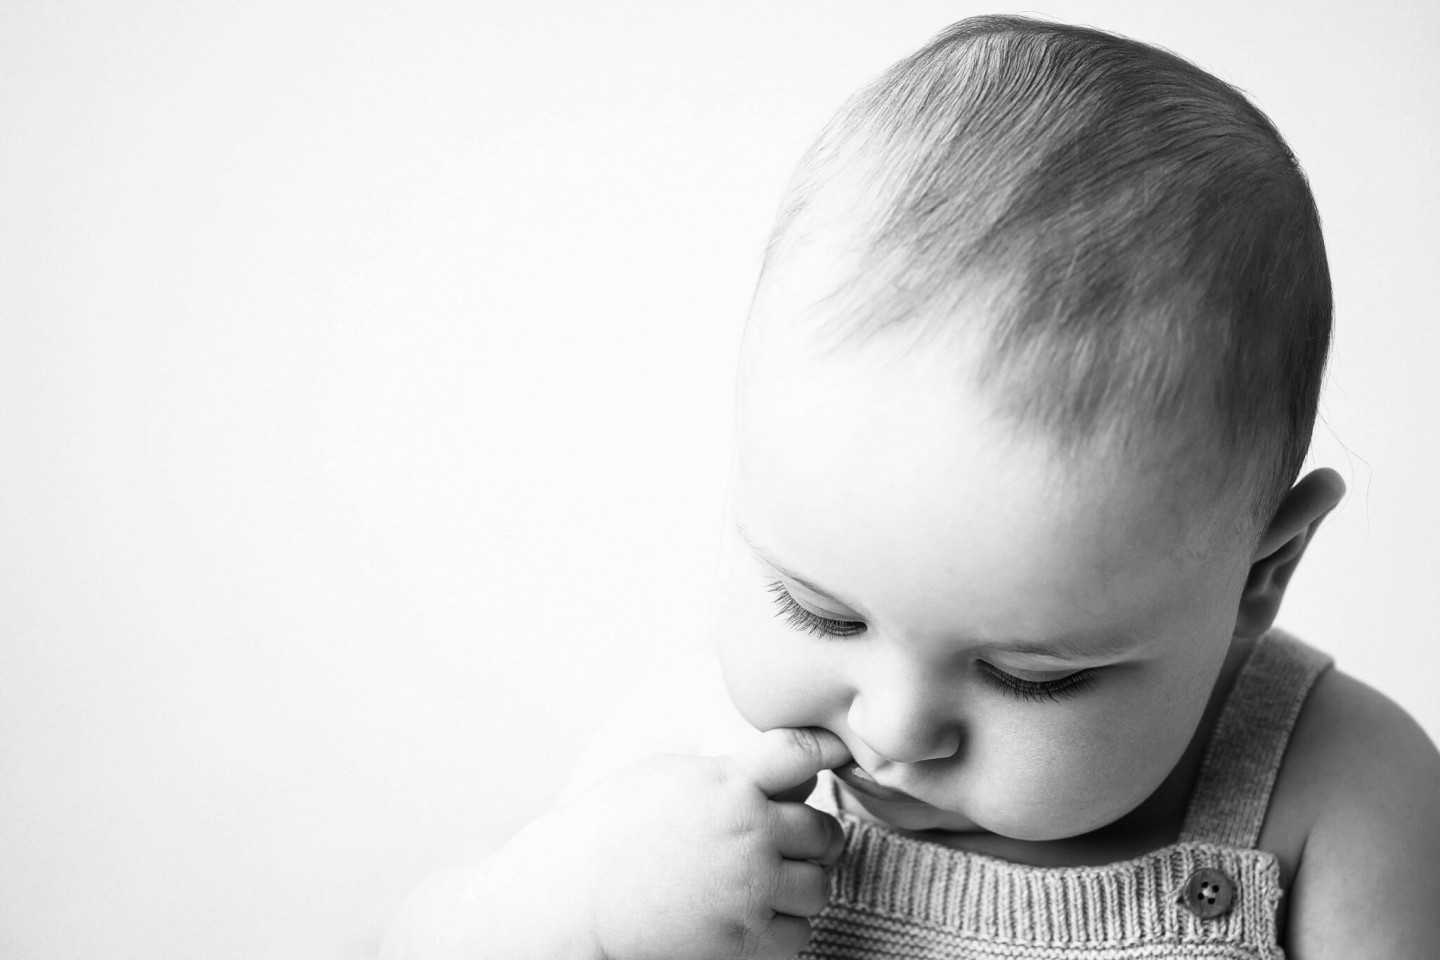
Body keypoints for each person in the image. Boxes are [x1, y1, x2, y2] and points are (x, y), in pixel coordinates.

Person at [382, 15, 1440, 959]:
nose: (893, 729)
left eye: (1028, 675)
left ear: (1263, 572)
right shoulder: (687, 774)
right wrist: (583, 905)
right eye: (818, 609)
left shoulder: (1338, 795)